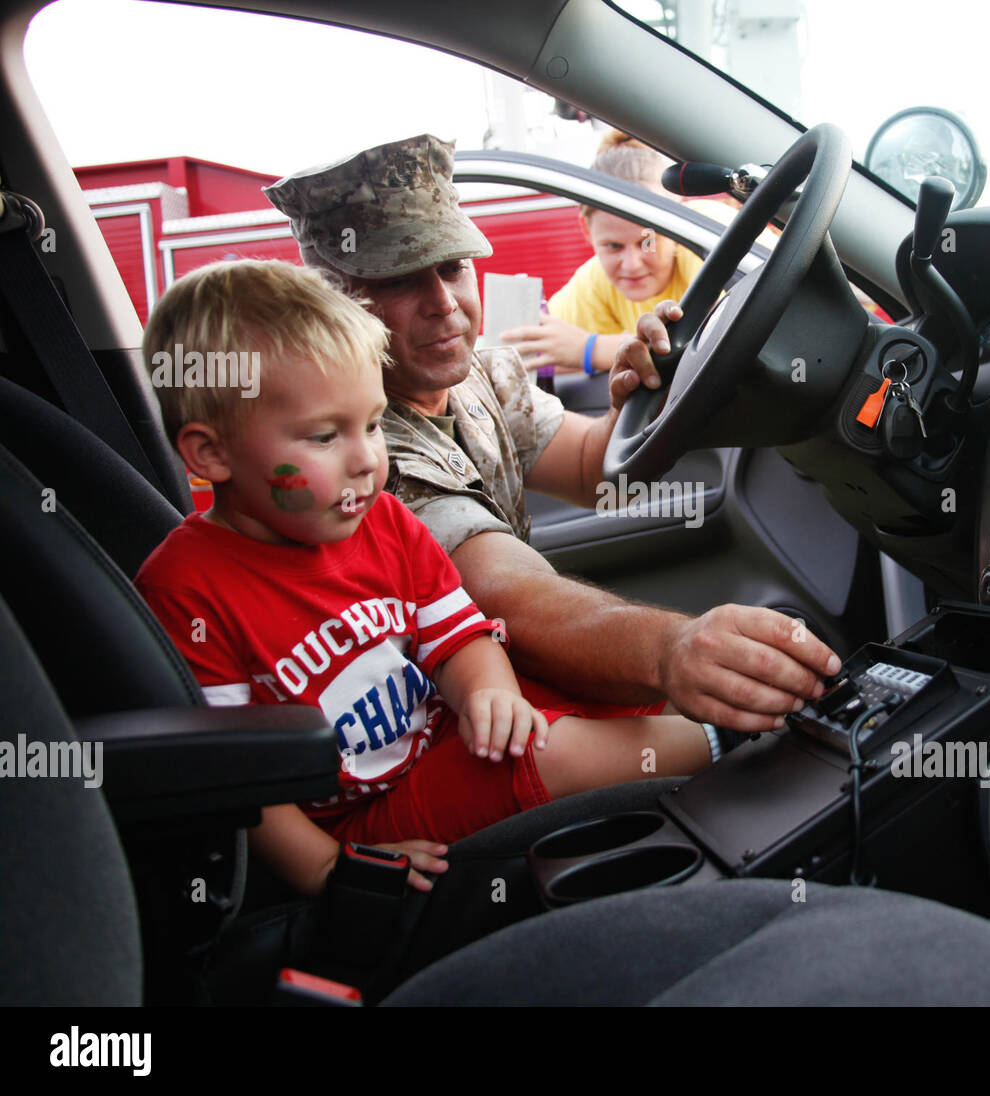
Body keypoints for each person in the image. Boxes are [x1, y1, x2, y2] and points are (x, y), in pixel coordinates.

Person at [134, 260, 715, 896]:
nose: (366, 460)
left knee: (596, 692)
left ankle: (719, 735)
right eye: (326, 436)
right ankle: (732, 747)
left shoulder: (382, 521)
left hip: (435, 733)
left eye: (373, 424)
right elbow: (237, 782)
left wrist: (488, 693)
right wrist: (332, 870)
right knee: (547, 752)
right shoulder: (186, 588)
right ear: (211, 453)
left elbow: (459, 635)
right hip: (356, 817)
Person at [264, 134, 841, 738]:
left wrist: (638, 391)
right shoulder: (366, 449)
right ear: (340, 304)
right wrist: (673, 648)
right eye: (400, 282)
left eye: (452, 268)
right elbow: (507, 598)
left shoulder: (482, 375)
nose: (444, 304)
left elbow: (594, 470)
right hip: (452, 725)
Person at [499, 131, 717, 374]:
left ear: (677, 219)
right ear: (586, 230)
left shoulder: (705, 234)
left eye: (647, 241)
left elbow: (715, 340)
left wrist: (589, 349)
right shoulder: (596, 280)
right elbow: (529, 352)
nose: (632, 264)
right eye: (613, 246)